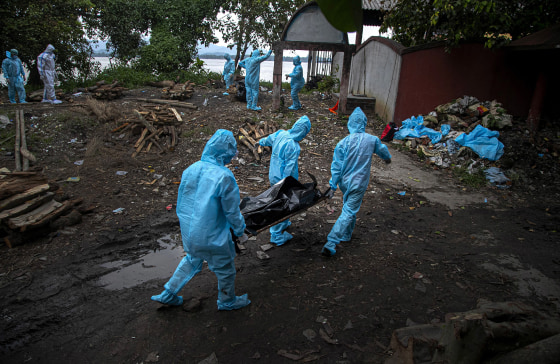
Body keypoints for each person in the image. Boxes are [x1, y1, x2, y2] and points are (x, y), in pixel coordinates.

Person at [151, 129, 251, 311]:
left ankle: (168, 293)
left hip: (190, 232)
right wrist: (240, 231)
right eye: (232, 151)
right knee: (225, 269)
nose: (233, 156)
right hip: (212, 236)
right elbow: (232, 212)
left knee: (191, 260)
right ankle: (227, 301)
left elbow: (184, 202)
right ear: (225, 151)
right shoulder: (224, 176)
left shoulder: (191, 169)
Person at [322, 107, 392, 257]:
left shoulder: (343, 142)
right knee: (349, 210)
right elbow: (383, 150)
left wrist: (333, 185)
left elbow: (336, 166)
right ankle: (331, 242)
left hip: (345, 182)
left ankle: (346, 234)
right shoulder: (371, 140)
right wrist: (387, 158)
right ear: (364, 123)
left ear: (350, 123)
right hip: (359, 183)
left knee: (349, 207)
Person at [257, 115, 311, 246]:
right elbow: (289, 167)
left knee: (278, 200)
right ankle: (276, 235)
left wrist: (260, 142)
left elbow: (268, 140)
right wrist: (288, 183)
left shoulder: (281, 133)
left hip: (273, 176)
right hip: (284, 179)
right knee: (283, 204)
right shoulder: (293, 146)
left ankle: (285, 223)